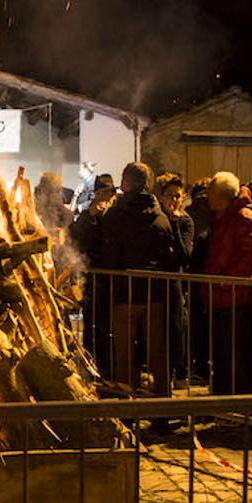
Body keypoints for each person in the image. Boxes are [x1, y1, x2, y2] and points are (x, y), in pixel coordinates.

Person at [100, 162, 179, 401]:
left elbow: (108, 252)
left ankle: (127, 405)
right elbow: (169, 254)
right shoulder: (160, 216)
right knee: (157, 351)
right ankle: (163, 403)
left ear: (126, 183)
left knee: (124, 352)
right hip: (154, 294)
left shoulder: (116, 215)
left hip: (124, 293)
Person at [201, 172, 252, 395]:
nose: (207, 197)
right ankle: (222, 398)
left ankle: (238, 402)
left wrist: (226, 281)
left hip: (235, 297)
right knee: (221, 354)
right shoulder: (222, 218)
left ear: (222, 196)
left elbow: (250, 258)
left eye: (211, 193)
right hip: (220, 296)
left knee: (235, 354)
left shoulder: (243, 218)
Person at [70, 173, 116, 375]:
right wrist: (90, 216)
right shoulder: (88, 215)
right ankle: (92, 367)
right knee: (91, 325)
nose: (107, 198)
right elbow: (76, 237)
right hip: (93, 278)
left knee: (110, 327)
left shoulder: (117, 214)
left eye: (110, 193)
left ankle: (109, 368)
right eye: (103, 193)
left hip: (113, 280)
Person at [155, 173, 194, 384]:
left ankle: (180, 372)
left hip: (175, 280)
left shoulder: (186, 221)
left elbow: (184, 254)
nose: (173, 200)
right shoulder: (157, 219)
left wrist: (176, 225)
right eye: (169, 195)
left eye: (177, 195)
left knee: (176, 326)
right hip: (158, 280)